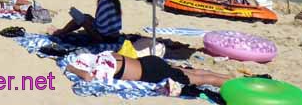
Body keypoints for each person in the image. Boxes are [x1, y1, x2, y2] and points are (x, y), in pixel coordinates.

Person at [65, 50, 233, 90]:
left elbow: (87, 78)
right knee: (193, 73)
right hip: (150, 62)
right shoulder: (105, 55)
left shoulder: (101, 67)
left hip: (151, 72)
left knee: (200, 79)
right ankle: (229, 77)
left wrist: (72, 69)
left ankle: (234, 84)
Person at [49, 0, 122, 43]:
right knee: (86, 17)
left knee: (81, 19)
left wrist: (87, 23)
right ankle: (62, 31)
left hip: (106, 38)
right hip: (115, 36)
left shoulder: (104, 2)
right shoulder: (113, 0)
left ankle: (61, 32)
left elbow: (101, 28)